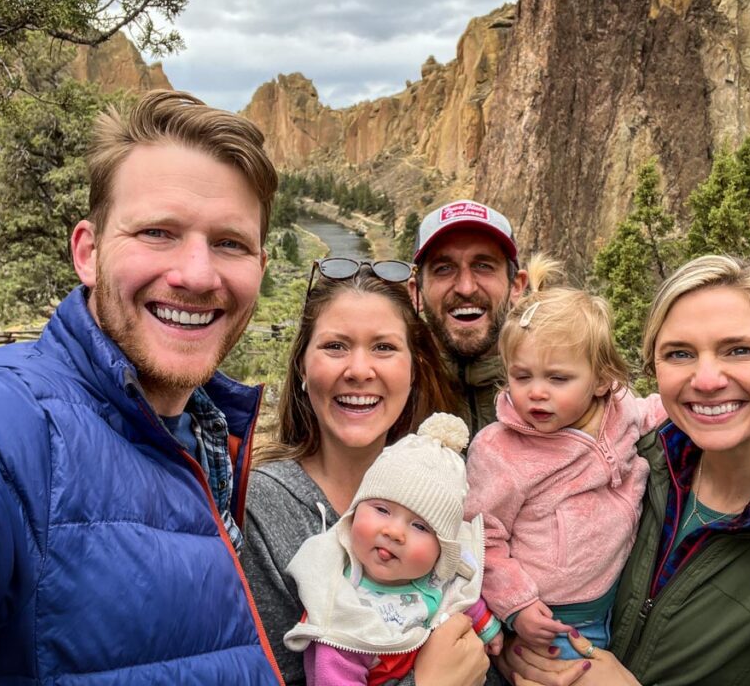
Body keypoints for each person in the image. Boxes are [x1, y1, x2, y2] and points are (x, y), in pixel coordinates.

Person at [0, 90, 284, 684]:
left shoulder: (206, 431)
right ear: (88, 252)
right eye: (157, 232)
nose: (197, 274)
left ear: (259, 266)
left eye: (229, 243)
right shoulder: (1, 419)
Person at [500, 255, 750, 686]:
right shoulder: (630, 464)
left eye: (740, 350)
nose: (708, 378)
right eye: (680, 353)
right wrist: (516, 645)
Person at [240, 258, 491, 686]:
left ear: (414, 371)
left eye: (384, 347)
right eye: (335, 346)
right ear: (302, 366)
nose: (359, 370)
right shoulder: (263, 510)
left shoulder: (450, 487)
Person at [464, 255, 666, 660]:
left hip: (619, 595)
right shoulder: (499, 451)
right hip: (549, 618)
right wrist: (516, 605)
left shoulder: (621, 410)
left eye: (558, 378)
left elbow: (659, 410)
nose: (536, 392)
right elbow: (480, 536)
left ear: (602, 379)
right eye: (522, 377)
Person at [283, 413, 504, 685]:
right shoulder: (343, 607)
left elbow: (460, 598)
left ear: (442, 549)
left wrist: (488, 628)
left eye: (420, 527)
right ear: (354, 512)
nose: (394, 532)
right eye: (382, 510)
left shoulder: (438, 575)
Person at [409, 200, 528, 436]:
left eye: (483, 265)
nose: (466, 287)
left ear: (516, 286)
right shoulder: (390, 397)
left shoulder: (567, 390)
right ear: (416, 293)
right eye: (443, 268)